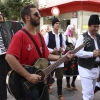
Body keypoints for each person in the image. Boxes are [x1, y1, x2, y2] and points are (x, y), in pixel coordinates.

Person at [5, 4, 74, 100]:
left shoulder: (40, 36)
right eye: (36, 14)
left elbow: (47, 55)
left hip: (41, 80)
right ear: (27, 17)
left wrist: (63, 57)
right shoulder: (19, 35)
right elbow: (9, 57)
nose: (39, 16)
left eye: (39, 14)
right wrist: (28, 76)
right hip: (25, 83)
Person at [75, 14, 100, 100]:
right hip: (85, 68)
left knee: (91, 92)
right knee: (88, 94)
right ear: (89, 25)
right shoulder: (83, 37)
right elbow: (77, 52)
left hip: (96, 68)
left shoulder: (99, 37)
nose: (96, 29)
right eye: (94, 26)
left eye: (98, 27)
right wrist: (91, 54)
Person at [44, 17, 66, 100]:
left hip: (60, 57)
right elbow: (44, 47)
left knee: (60, 76)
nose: (58, 25)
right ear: (53, 25)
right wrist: (51, 50)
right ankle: (47, 89)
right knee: (49, 75)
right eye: (56, 23)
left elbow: (64, 45)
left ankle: (60, 94)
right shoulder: (48, 34)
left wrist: (62, 49)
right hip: (52, 57)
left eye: (59, 23)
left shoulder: (61, 35)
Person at [64, 25, 78, 91]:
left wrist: (77, 37)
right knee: (68, 69)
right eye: (73, 29)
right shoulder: (66, 37)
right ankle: (68, 84)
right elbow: (64, 46)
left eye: (74, 29)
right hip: (69, 54)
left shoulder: (76, 37)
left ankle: (73, 83)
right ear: (69, 30)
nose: (74, 30)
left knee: (75, 69)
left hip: (75, 55)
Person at [0, 12, 11, 100]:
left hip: (3, 57)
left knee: (2, 80)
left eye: (1, 14)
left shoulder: (3, 27)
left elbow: (9, 39)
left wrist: (3, 23)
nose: (0, 16)